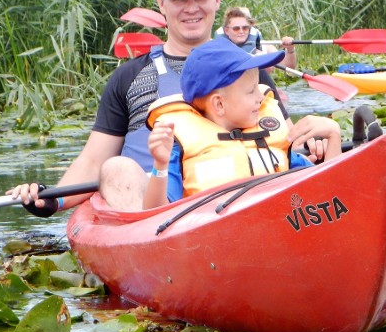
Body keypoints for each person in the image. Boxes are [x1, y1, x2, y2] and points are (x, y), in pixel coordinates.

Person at [8, 0, 332, 214]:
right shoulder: (129, 77)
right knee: (117, 166)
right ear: (161, 4)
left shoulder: (249, 72)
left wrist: (317, 143)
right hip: (150, 210)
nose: (191, 7)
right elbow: (94, 160)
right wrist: (51, 199)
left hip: (240, 202)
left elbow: (284, 143)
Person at [143, 39, 342, 208]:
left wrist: (333, 136)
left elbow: (327, 196)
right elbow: (156, 218)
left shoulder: (272, 140)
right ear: (219, 104)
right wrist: (160, 165)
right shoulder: (180, 149)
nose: (261, 97)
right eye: (251, 90)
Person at [215, 7, 298, 70]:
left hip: (259, 86)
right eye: (236, 28)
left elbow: (289, 67)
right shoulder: (214, 48)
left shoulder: (264, 46)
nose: (241, 31)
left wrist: (290, 50)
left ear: (250, 27)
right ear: (226, 30)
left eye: (245, 28)